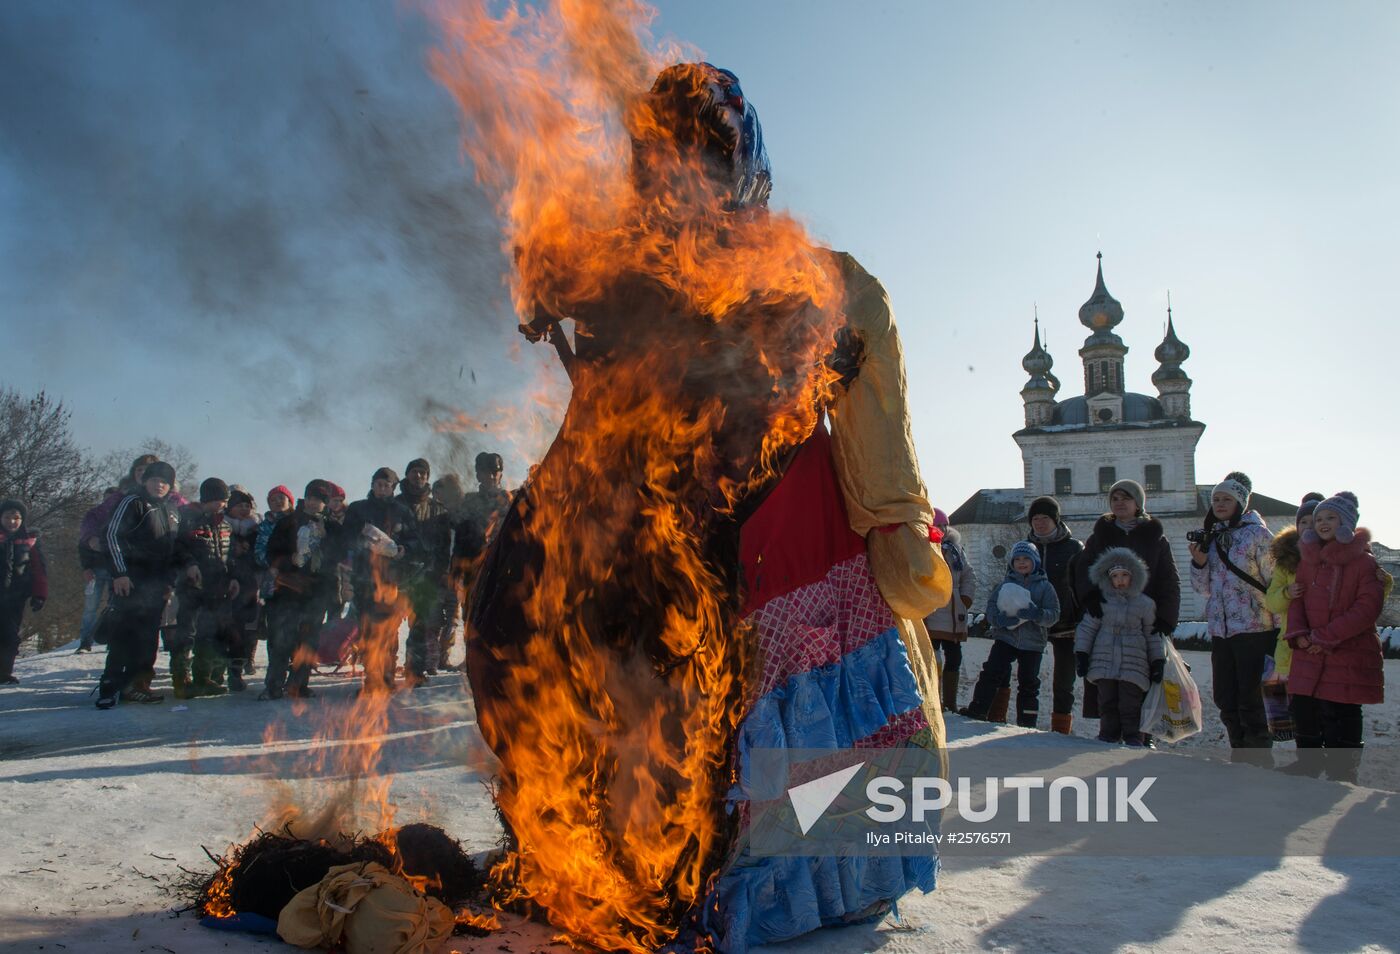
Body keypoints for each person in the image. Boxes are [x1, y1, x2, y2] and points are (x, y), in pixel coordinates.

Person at [462, 62, 949, 951]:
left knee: (764, 702)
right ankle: (622, 857)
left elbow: (874, 388)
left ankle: (777, 879)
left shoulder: (822, 278)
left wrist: (895, 516)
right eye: (666, 154)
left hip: (782, 529)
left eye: (706, 154)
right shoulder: (624, 267)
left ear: (743, 164)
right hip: (641, 522)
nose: (684, 174)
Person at [1284, 492, 1386, 783]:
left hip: (1347, 651)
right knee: (1304, 706)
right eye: (1319, 519)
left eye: (1331, 518)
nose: (1323, 523)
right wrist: (1300, 636)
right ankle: (1308, 763)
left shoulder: (1363, 562)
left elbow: (1366, 609)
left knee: (1342, 709)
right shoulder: (1309, 561)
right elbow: (1298, 601)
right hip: (1308, 650)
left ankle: (1343, 771)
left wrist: (1325, 637)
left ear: (1347, 523)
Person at [1074, 479, 1181, 737]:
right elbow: (1082, 569)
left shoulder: (1156, 539)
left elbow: (1169, 580)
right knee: (1108, 690)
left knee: (1140, 684)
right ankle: (1109, 737)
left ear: (1138, 503)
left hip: (1143, 621)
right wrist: (1089, 598)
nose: (1120, 503)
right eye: (1115, 498)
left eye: (1126, 498)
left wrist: (1165, 620)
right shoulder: (1099, 537)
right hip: (1108, 620)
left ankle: (1141, 737)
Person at [1188, 471, 1276, 759]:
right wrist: (1199, 562)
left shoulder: (1258, 534)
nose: (1220, 503)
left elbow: (1274, 580)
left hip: (1255, 628)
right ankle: (1239, 751)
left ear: (1241, 502)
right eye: (1216, 499)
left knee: (1252, 698)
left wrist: (1280, 627)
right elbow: (1202, 589)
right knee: (1226, 697)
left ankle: (1258, 757)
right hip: (1222, 630)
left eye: (1227, 498)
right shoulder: (1213, 537)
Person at [97, 460, 181, 708]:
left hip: (156, 586)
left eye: (164, 482)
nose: (159, 485)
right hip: (131, 582)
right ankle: (110, 686)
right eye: (155, 480)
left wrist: (170, 581)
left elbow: (174, 549)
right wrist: (120, 573)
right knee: (123, 635)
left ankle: (137, 685)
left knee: (148, 638)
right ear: (144, 481)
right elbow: (111, 536)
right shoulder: (133, 502)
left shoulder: (171, 511)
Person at [961, 541, 1060, 727]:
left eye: (1026, 559)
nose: (1022, 563)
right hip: (1006, 638)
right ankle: (979, 709)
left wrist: (1036, 614)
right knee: (991, 672)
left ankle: (1027, 721)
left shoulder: (1045, 587)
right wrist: (1000, 621)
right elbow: (990, 610)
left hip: (1033, 642)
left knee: (1029, 682)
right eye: (1017, 560)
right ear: (1011, 563)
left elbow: (1054, 614)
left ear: (1035, 562)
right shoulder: (1004, 585)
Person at [1074, 548, 1163, 746]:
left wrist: (1157, 660)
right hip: (1104, 661)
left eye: (1124, 575)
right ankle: (1108, 735)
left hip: (1134, 663)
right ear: (1108, 578)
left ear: (1134, 576)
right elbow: (1087, 628)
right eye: (1115, 576)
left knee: (1130, 704)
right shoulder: (1102, 603)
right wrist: (1082, 654)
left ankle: (1133, 737)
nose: (1120, 580)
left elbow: (1152, 634)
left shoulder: (1145, 604)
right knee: (1107, 703)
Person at [343, 467, 417, 693]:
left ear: (393, 487)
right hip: (365, 580)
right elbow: (346, 537)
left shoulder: (403, 511)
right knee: (368, 632)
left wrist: (402, 550)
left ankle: (387, 678)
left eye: (387, 485)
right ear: (372, 485)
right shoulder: (358, 509)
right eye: (378, 484)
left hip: (392, 581)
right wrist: (364, 543)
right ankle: (372, 680)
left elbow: (416, 542)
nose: (382, 488)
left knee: (389, 632)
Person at [263, 480, 336, 699]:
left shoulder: (331, 526)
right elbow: (271, 553)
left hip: (316, 592)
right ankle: (273, 685)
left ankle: (299, 684)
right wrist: (288, 561)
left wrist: (327, 539)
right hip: (289, 589)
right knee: (283, 640)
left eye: (320, 501)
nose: (314, 504)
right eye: (311, 498)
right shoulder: (288, 522)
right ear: (305, 498)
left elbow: (340, 556)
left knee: (309, 641)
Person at [172, 478, 239, 697]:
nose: (223, 505)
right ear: (208, 499)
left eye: (225, 501)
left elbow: (230, 557)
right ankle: (181, 680)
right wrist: (190, 564)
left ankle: (204, 677)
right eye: (220, 500)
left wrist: (233, 578)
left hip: (216, 587)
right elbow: (179, 547)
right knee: (186, 632)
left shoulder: (225, 524)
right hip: (192, 586)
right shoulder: (189, 519)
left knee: (208, 633)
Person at [1025, 495, 1083, 733]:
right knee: (1029, 676)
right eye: (1035, 519)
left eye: (1044, 518)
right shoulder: (1025, 548)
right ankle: (1026, 722)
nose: (1039, 523)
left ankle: (1061, 726)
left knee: (1064, 681)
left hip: (1066, 622)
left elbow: (1082, 585)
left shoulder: (1073, 548)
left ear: (1056, 520)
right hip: (1032, 621)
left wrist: (1081, 615)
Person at [450, 453, 512, 669]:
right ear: (479, 474)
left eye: (496, 472)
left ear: (501, 473)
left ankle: (497, 658)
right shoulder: (469, 501)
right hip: (473, 569)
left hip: (501, 569)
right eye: (487, 472)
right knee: (471, 616)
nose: (492, 476)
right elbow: (460, 537)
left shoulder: (509, 500)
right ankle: (472, 659)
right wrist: (456, 570)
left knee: (500, 615)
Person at [396, 458, 451, 684]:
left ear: (427, 477)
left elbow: (445, 546)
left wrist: (440, 572)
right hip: (397, 575)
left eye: (422, 473)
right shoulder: (395, 504)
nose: (418, 476)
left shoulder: (438, 509)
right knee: (389, 627)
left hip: (427, 577)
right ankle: (383, 673)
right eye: (414, 472)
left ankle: (414, 671)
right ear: (407, 475)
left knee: (420, 626)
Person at [923, 507, 976, 712]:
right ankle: (933, 699)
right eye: (938, 525)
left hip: (954, 611)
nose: (942, 529)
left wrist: (965, 598)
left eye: (945, 525)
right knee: (932, 656)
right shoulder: (925, 549)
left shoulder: (956, 551)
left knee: (954, 657)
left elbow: (968, 575)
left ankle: (950, 702)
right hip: (934, 611)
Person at [0, 500, 47, 685]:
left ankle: (4, 672)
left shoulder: (30, 541)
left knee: (11, 635)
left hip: (16, 597)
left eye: (16, 518)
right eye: (7, 517)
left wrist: (40, 594)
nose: (12, 522)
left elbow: (39, 569)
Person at [224, 488, 262, 689]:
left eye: (247, 506)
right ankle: (213, 670)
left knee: (241, 629)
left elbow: (260, 557)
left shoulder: (256, 529)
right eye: (240, 505)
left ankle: (235, 671)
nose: (244, 509)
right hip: (222, 583)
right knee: (220, 628)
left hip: (248, 584)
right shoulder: (220, 525)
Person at [75, 487, 120, 653]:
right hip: (95, 570)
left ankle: (111, 640)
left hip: (115, 569)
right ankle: (85, 642)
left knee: (114, 606)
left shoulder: (120, 520)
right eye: (107, 499)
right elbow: (82, 545)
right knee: (90, 608)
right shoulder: (93, 521)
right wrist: (86, 567)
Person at [431, 473, 467, 670]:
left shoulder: (464, 515)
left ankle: (443, 657)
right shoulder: (439, 519)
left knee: (453, 619)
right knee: (436, 619)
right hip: (439, 576)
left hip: (459, 576)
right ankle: (436, 657)